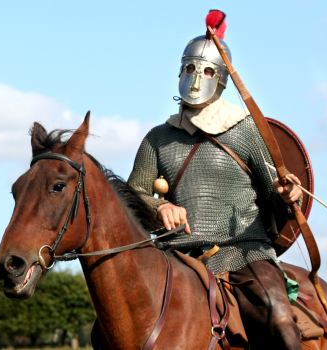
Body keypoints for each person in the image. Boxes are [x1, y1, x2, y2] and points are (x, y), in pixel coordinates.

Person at [127, 10, 304, 350]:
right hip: (175, 254)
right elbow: (133, 194)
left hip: (243, 251)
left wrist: (287, 195)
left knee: (279, 316)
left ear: (221, 77)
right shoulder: (157, 138)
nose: (197, 77)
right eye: (190, 68)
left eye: (207, 70)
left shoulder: (245, 129)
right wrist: (159, 205)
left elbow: (273, 203)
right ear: (180, 71)